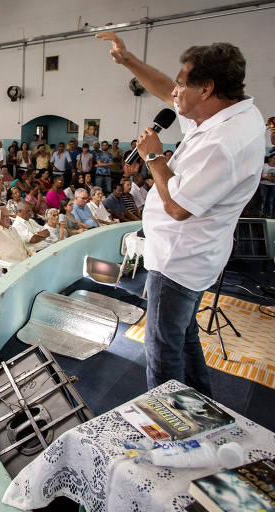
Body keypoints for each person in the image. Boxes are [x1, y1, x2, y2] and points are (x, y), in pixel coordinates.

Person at [97, 33, 265, 395]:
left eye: (182, 83)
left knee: (161, 351)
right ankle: (203, 402)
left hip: (178, 261)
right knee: (185, 338)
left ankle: (169, 427)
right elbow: (164, 90)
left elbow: (176, 207)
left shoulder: (225, 141)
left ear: (206, 88)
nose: (173, 91)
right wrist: (127, 60)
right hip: (196, 256)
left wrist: (155, 158)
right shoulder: (223, 114)